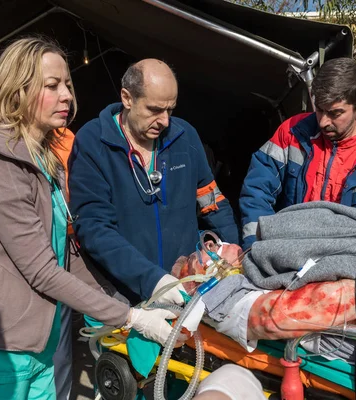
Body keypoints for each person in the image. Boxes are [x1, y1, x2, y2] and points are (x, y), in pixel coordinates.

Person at [0, 37, 164, 400]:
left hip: (37, 340)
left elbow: (64, 254)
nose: (67, 95)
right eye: (52, 85)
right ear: (16, 90)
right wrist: (130, 319)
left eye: (68, 85)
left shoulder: (44, 158)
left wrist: (132, 300)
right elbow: (40, 268)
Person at [68, 59, 239, 322]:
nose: (164, 121)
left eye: (170, 109)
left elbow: (212, 202)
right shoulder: (92, 143)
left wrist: (235, 254)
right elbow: (94, 229)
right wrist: (152, 280)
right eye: (155, 109)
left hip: (186, 287)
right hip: (123, 296)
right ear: (127, 98)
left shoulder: (185, 137)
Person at [239, 58, 356, 249]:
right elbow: (256, 191)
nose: (323, 122)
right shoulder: (291, 133)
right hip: (285, 258)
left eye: (335, 113)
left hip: (349, 268)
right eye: (319, 109)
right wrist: (256, 248)